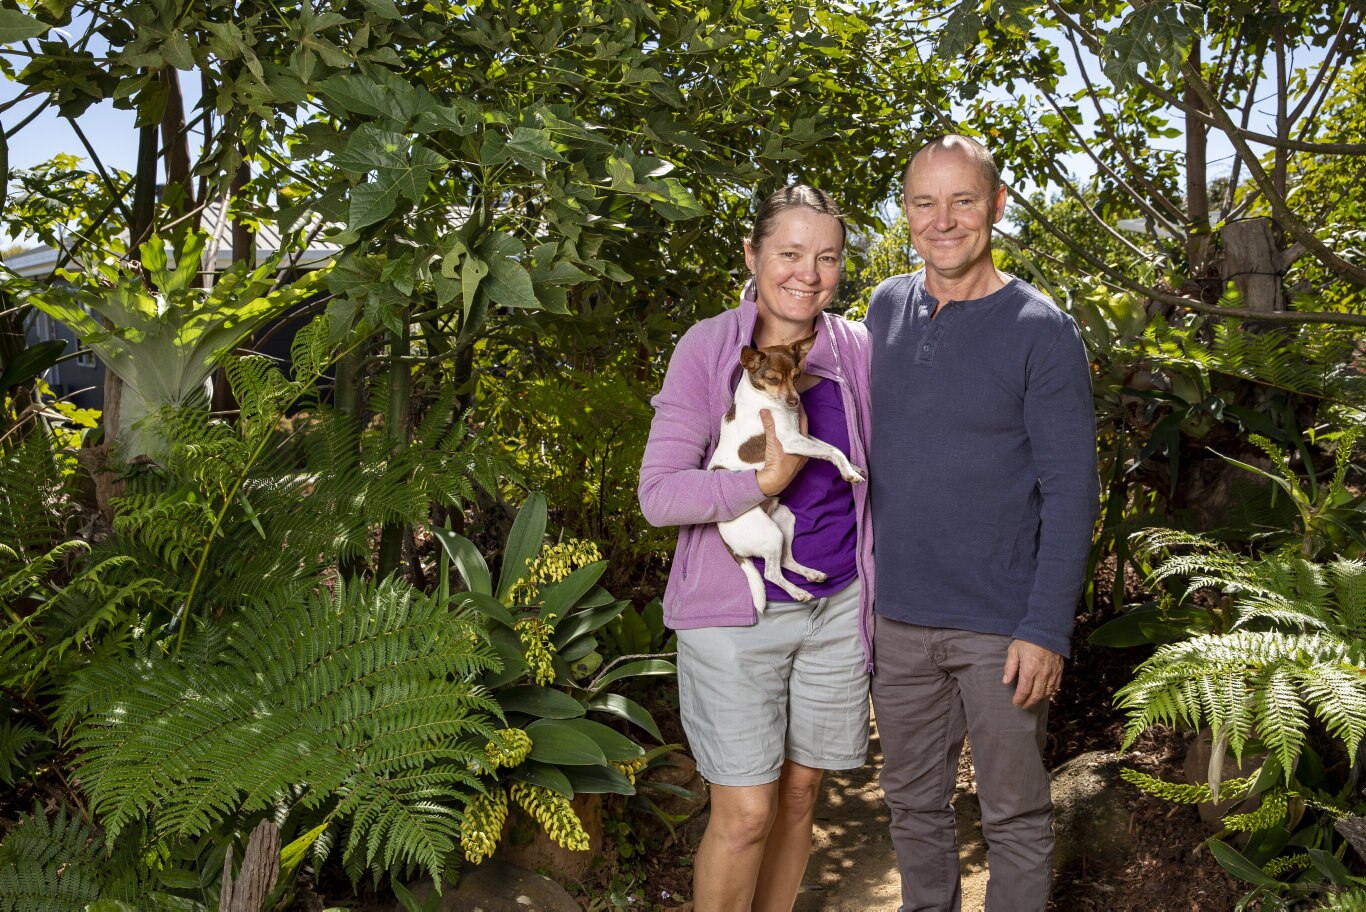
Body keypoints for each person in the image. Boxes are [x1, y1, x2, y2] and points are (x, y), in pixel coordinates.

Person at [865, 134, 1099, 911]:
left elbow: (1072, 493)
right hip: (897, 620)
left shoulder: (1041, 329)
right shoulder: (886, 306)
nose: (944, 220)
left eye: (963, 200)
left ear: (996, 206)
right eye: (925, 203)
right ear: (905, 213)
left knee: (1016, 818)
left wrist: (1045, 628)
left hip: (1002, 629)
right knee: (913, 808)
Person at [638, 185, 874, 912]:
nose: (809, 273)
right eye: (790, 253)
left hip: (836, 608)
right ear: (753, 255)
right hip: (734, 618)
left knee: (801, 797)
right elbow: (660, 495)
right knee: (744, 815)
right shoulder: (711, 347)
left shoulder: (854, 349)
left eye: (827, 257)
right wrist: (761, 483)